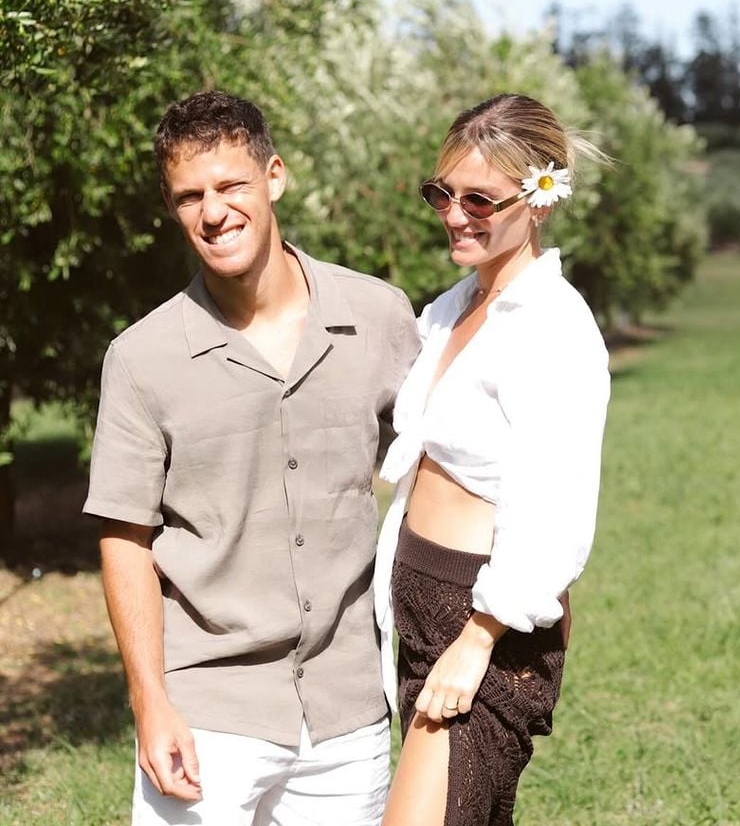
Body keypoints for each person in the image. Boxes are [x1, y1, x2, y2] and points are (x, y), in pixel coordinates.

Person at [84, 90, 419, 826]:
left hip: (347, 706)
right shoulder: (143, 358)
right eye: (189, 196)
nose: (212, 212)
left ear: (275, 177)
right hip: (207, 712)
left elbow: (438, 475)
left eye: (231, 185)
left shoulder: (377, 317)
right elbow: (125, 537)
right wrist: (150, 702)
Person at [373, 93, 611, 826]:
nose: (453, 214)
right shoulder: (448, 309)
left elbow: (556, 507)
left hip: (486, 622)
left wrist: (478, 640)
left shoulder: (554, 327)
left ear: (538, 199)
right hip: (418, 596)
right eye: (442, 192)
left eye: (480, 198)